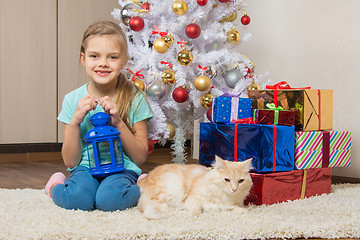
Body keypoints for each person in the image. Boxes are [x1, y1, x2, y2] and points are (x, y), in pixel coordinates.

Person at [44, 21, 153, 211]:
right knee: (77, 199)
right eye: (94, 56)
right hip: (85, 167)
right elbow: (70, 161)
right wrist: (75, 121)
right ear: (83, 58)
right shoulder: (72, 100)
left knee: (110, 200)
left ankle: (142, 184)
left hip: (121, 168)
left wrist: (118, 122)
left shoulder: (134, 98)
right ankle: (54, 185)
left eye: (112, 57)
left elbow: (140, 157)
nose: (103, 63)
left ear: (124, 60)